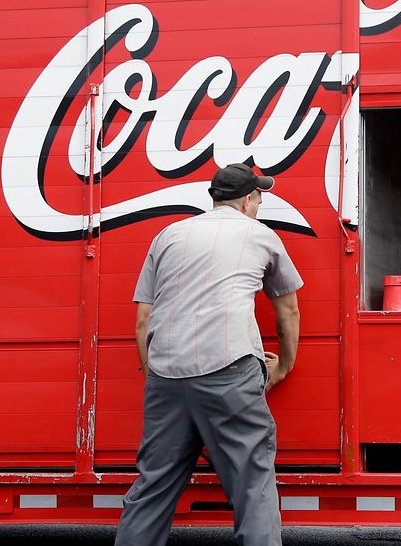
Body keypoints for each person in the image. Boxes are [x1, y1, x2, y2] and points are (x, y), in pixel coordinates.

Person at [115, 162, 303, 546]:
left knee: (153, 486)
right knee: (252, 483)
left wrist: (155, 373)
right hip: (229, 368)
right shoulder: (261, 236)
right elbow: (288, 309)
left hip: (166, 373)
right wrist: (283, 365)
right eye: (260, 196)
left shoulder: (168, 235)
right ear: (250, 200)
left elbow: (143, 319)